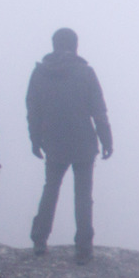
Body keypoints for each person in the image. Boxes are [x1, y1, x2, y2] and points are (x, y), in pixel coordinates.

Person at [26, 27, 112, 264]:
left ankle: (39, 241)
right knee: (83, 195)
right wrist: (106, 140)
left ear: (54, 45)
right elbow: (99, 111)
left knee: (50, 189)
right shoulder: (85, 73)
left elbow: (33, 110)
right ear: (75, 46)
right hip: (83, 143)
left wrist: (35, 140)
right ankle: (84, 249)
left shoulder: (39, 74)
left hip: (53, 142)